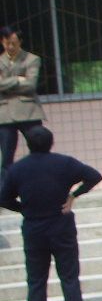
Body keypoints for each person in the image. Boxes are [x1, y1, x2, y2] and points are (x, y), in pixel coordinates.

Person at [0, 125, 102, 301]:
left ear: (27, 144)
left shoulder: (18, 169)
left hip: (33, 228)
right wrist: (73, 195)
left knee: (36, 283)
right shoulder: (65, 163)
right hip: (61, 225)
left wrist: (23, 209)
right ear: (51, 142)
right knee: (69, 280)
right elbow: (94, 176)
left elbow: (3, 198)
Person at [0, 26, 46, 188]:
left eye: (14, 43)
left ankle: (42, 186)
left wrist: (5, 83)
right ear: (2, 42)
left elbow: (31, 85)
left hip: (29, 112)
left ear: (20, 42)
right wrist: (18, 79)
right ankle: (5, 192)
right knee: (6, 156)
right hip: (4, 114)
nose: (11, 46)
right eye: (7, 43)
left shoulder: (31, 59)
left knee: (39, 151)